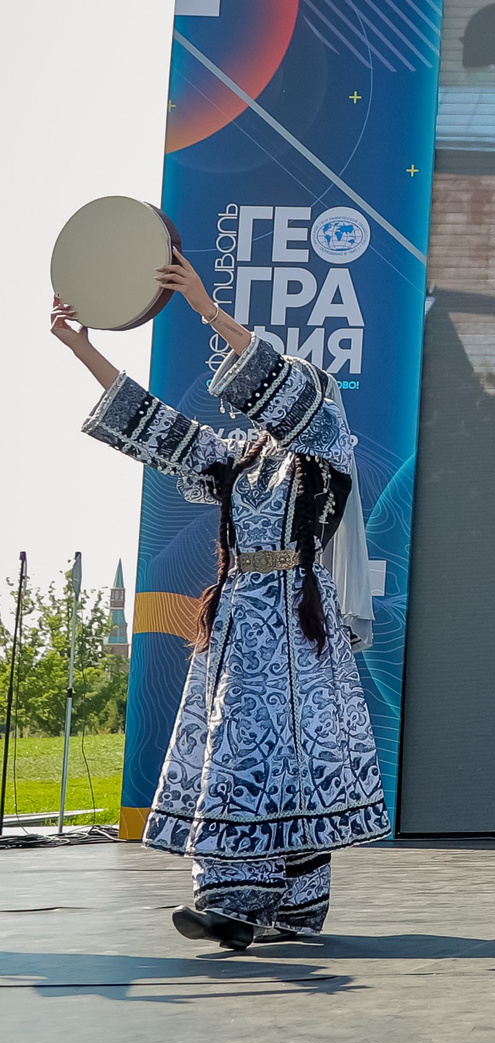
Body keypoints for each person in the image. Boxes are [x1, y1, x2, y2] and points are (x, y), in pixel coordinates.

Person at [53, 258, 386, 950]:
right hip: (241, 620)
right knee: (254, 749)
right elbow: (155, 425)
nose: (264, 401)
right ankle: (279, 906)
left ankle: (239, 906)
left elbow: (286, 385)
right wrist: (81, 348)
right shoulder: (239, 458)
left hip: (297, 619)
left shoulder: (327, 448)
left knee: (271, 750)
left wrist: (207, 309)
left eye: (281, 393)